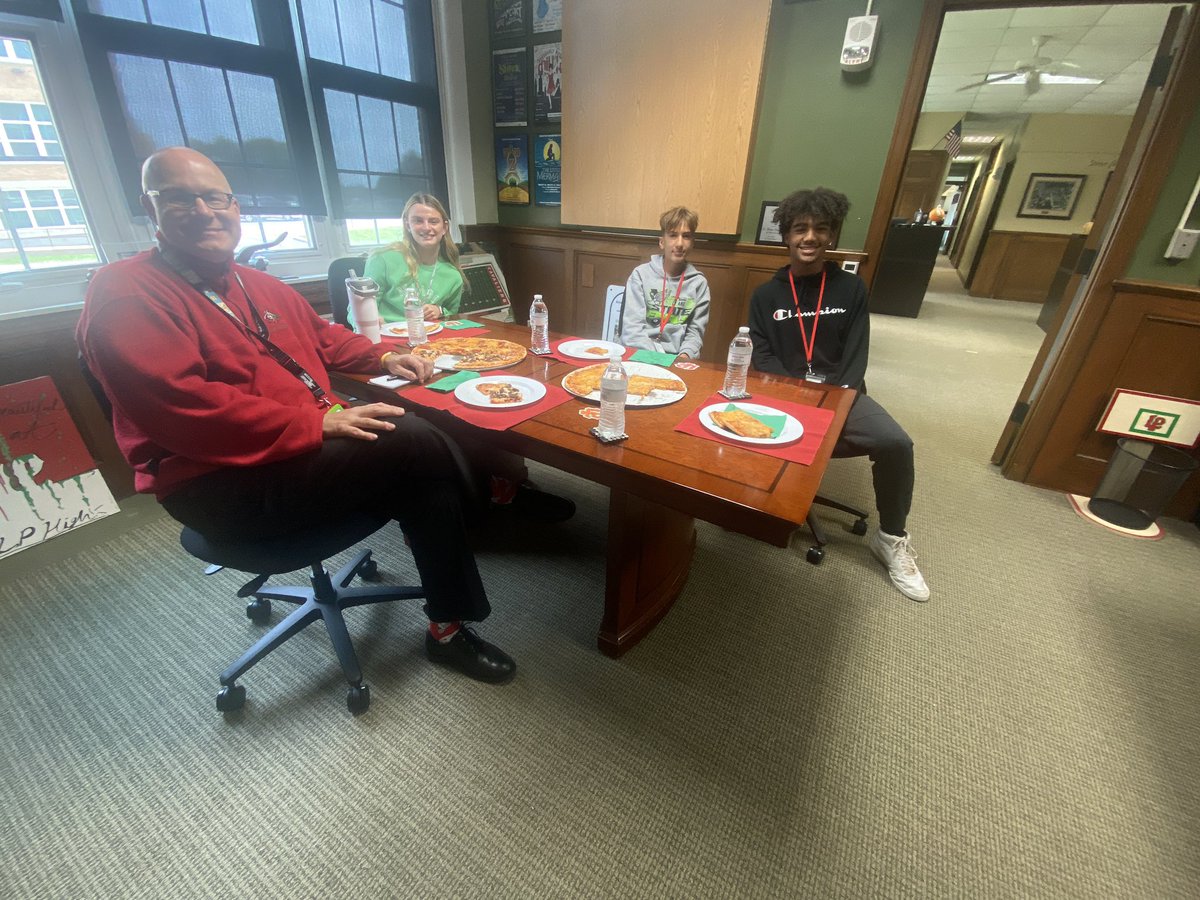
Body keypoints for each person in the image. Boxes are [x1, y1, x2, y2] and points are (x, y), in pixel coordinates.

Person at [77, 147, 516, 683]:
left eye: (216, 197)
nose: (205, 210)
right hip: (218, 484)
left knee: (416, 463)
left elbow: (325, 338)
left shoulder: (255, 283)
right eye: (180, 198)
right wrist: (314, 424)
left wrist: (382, 356)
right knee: (411, 438)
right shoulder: (123, 292)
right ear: (150, 209)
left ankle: (448, 625)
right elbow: (182, 410)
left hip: (301, 457)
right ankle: (498, 502)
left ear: (236, 208)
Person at [747, 187, 929, 602]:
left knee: (897, 443)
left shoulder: (850, 288)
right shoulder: (765, 296)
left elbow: (855, 353)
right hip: (783, 396)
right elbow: (764, 356)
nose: (809, 237)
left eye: (820, 229)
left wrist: (835, 401)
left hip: (842, 395)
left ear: (831, 236)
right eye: (800, 229)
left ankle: (891, 538)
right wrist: (796, 400)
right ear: (786, 236)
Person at [621, 206, 710, 359]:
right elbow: (632, 331)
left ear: (693, 243)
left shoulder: (699, 284)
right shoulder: (640, 275)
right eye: (673, 235)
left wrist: (684, 357)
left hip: (677, 359)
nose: (680, 243)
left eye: (686, 236)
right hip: (640, 354)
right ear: (662, 242)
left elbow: (695, 333)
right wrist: (659, 360)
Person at [362, 193, 465, 324]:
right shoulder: (382, 259)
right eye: (418, 221)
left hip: (429, 339)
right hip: (386, 337)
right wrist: (369, 322)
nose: (426, 227)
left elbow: (452, 315)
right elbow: (357, 310)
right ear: (407, 225)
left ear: (444, 227)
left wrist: (439, 310)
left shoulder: (453, 276)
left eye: (433, 221)